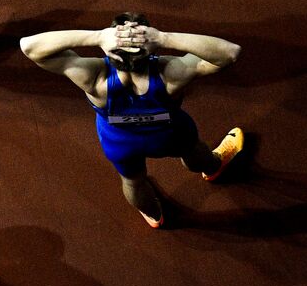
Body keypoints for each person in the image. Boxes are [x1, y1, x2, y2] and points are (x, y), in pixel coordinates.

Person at [20, 14, 245, 228]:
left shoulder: (93, 76)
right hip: (170, 135)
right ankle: (213, 168)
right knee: (193, 150)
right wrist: (165, 38)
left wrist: (97, 37)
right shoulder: (170, 73)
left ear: (111, 47)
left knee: (133, 182)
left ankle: (154, 215)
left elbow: (29, 46)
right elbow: (230, 52)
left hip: (120, 143)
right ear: (149, 44)